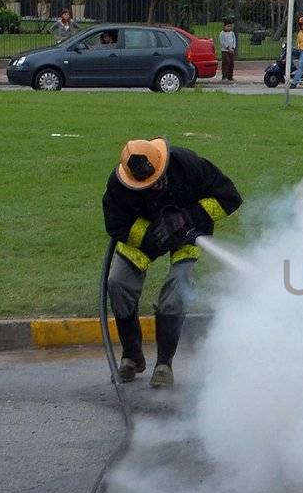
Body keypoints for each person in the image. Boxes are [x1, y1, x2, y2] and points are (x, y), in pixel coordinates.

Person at [102, 137, 240, 389]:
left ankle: (164, 364)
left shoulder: (188, 165)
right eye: (145, 187)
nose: (154, 188)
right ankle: (132, 357)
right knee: (118, 284)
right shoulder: (119, 185)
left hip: (188, 235)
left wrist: (186, 217)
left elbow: (229, 198)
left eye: (157, 181)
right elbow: (115, 223)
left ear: (163, 166)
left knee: (176, 290)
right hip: (143, 240)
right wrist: (151, 234)